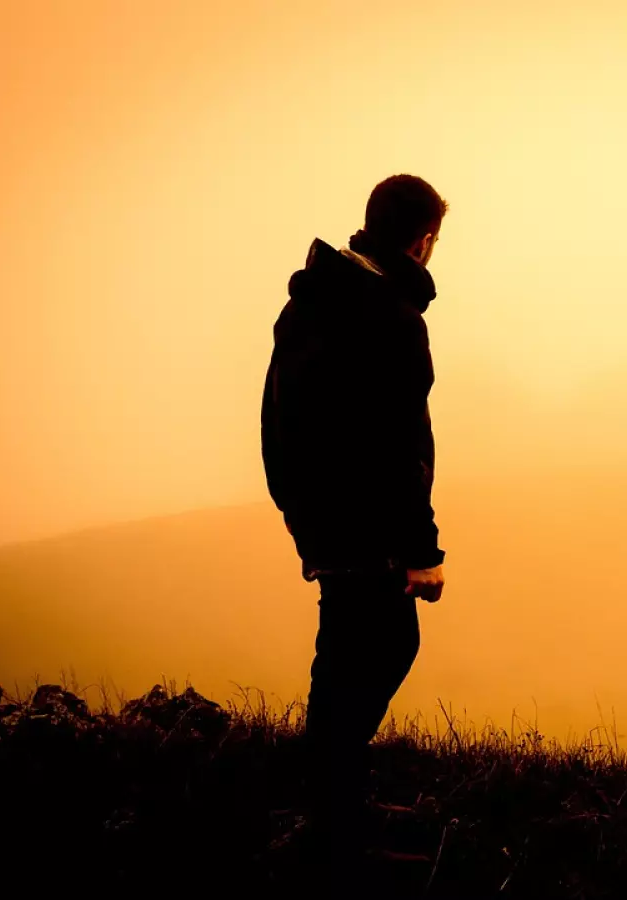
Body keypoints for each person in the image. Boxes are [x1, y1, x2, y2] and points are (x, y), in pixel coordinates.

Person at [260, 174, 448, 881]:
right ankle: (337, 839)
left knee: (348, 653)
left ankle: (340, 808)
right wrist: (421, 550)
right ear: (423, 240)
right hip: (363, 523)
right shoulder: (392, 319)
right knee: (376, 651)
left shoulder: (313, 299)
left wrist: (295, 504)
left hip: (321, 512)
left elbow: (274, 410)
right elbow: (402, 445)